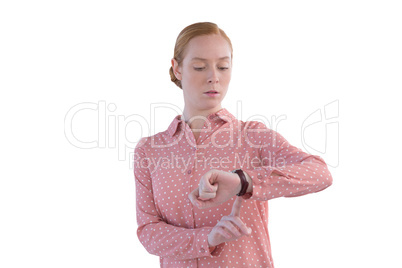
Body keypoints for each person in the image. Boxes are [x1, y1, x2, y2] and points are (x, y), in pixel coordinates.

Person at [134, 22, 333, 268]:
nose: (213, 77)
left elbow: (320, 173)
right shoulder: (150, 150)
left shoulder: (253, 136)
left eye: (223, 66)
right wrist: (207, 238)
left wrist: (243, 181)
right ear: (177, 69)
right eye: (199, 66)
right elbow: (148, 232)